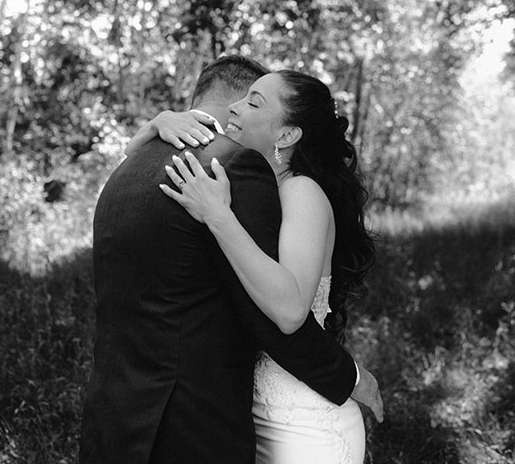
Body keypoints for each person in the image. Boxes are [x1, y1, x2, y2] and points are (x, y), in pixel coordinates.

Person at [77, 56, 382, 464]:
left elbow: (280, 312)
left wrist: (218, 214)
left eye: (254, 103)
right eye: (242, 100)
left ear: (288, 133)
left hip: (133, 415)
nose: (238, 109)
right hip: (206, 418)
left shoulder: (130, 170)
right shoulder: (232, 172)